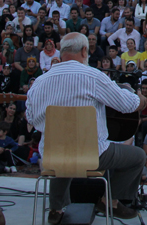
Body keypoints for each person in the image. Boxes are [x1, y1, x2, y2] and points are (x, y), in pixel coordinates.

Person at [26, 32, 146, 224]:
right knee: (138, 157)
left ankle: (55, 209)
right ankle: (110, 202)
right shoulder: (93, 76)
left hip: (51, 156)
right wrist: (140, 100)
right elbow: (127, 105)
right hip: (92, 156)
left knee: (61, 149)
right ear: (84, 50)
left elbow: (31, 118)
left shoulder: (40, 81)